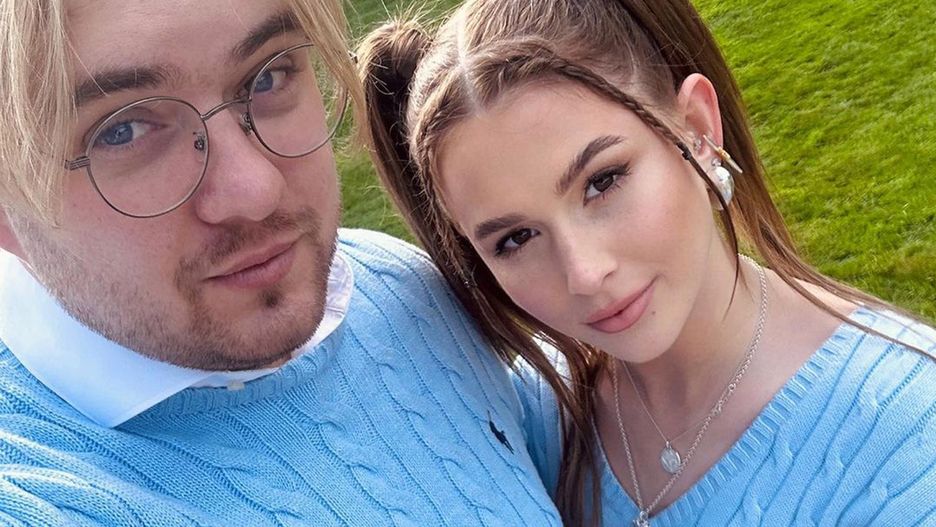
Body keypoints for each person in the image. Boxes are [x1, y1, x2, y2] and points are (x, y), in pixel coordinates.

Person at [359, 0, 936, 525]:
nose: (585, 274)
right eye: (516, 238)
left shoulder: (909, 438)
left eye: (602, 181)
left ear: (698, 132)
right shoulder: (529, 418)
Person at [0, 0, 564, 525]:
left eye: (268, 76)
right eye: (121, 131)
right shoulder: (37, 497)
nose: (256, 190)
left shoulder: (398, 289)